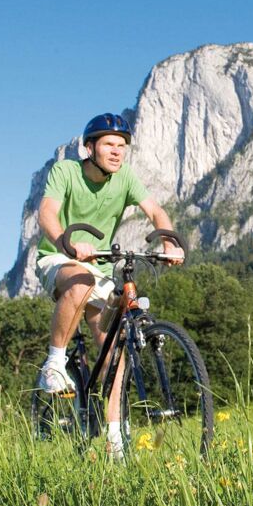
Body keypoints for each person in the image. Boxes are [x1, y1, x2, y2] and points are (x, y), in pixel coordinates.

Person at [35, 112, 183, 456]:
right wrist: (66, 244)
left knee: (114, 353)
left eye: (122, 146)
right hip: (59, 257)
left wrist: (168, 241)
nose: (117, 152)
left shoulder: (126, 177)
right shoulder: (67, 171)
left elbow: (156, 211)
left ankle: (115, 441)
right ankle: (54, 363)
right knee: (80, 281)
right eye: (109, 145)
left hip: (99, 267)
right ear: (90, 148)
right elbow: (46, 213)